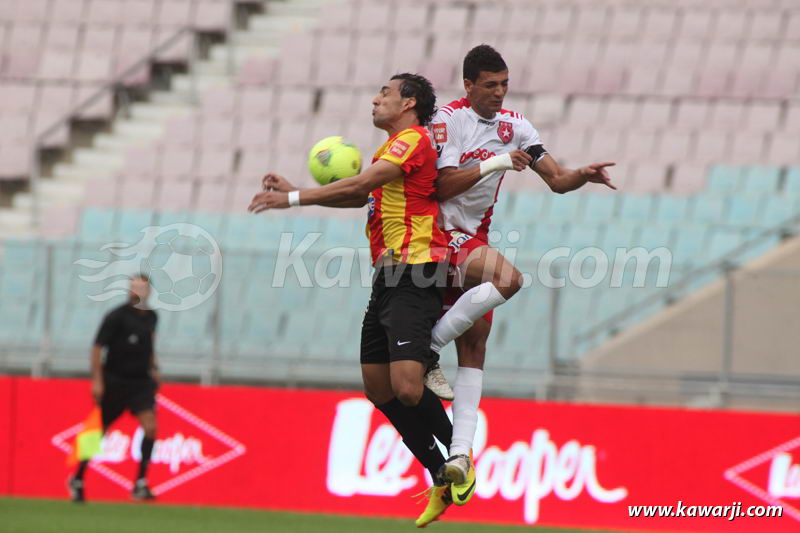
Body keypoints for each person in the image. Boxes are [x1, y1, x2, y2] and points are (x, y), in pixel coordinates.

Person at [250, 73, 456, 527]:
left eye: (385, 92)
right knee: (378, 388)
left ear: (410, 102)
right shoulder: (389, 150)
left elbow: (357, 187)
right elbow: (361, 199)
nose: (375, 98)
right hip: (387, 276)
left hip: (416, 270)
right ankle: (440, 472)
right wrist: (293, 193)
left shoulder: (413, 140)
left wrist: (293, 201)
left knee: (406, 386)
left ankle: (461, 453)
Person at [424, 44, 617, 506]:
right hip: (436, 236)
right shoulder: (449, 121)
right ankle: (430, 347)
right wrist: (492, 162)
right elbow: (441, 185)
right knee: (509, 280)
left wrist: (581, 176)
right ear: (468, 85)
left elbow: (555, 178)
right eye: (490, 85)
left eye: (504, 84)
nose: (499, 92)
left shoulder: (516, 125)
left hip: (473, 241)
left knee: (474, 347)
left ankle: (461, 456)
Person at [67, 274, 160, 503]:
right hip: (114, 381)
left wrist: (154, 368)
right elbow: (97, 349)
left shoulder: (152, 317)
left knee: (150, 426)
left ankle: (140, 483)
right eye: (133, 287)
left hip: (140, 382)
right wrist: (97, 380)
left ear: (148, 291)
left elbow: (149, 345)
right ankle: (78, 478)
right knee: (99, 431)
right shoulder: (116, 316)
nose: (136, 291)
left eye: (141, 287)